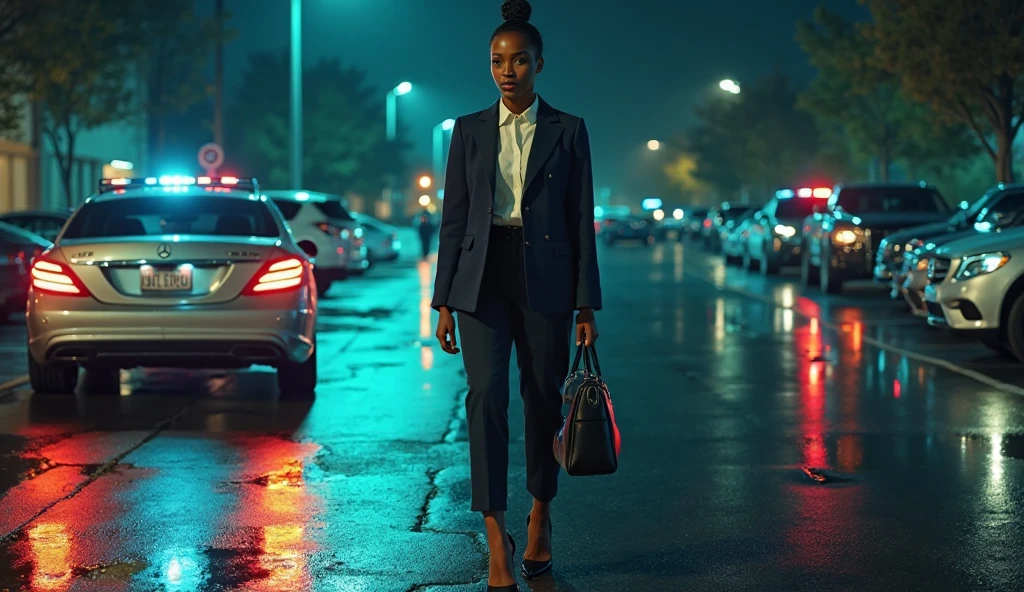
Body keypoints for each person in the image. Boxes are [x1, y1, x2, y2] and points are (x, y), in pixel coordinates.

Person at [430, 1, 601, 590]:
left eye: (519, 60)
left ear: (539, 64)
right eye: (497, 61)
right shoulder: (469, 130)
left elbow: (583, 222)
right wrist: (443, 300)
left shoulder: (569, 130)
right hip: (481, 277)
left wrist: (586, 305)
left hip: (546, 277)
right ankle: (493, 535)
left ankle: (541, 516)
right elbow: (453, 219)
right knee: (485, 397)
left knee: (541, 399)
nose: (507, 70)